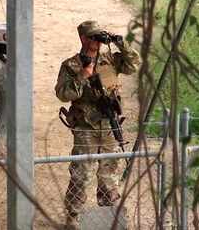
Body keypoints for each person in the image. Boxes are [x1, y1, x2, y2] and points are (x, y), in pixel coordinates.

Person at [54, 20, 140, 229]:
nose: (97, 41)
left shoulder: (109, 58)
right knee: (81, 174)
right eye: (93, 37)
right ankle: (73, 218)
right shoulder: (71, 65)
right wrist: (83, 77)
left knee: (108, 174)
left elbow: (133, 65)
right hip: (86, 127)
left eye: (99, 37)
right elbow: (62, 94)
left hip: (109, 124)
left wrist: (121, 43)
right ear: (83, 38)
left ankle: (108, 216)